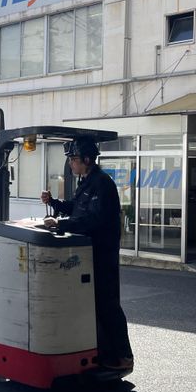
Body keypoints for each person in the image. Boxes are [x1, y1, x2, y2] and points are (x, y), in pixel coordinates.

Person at [41, 136, 134, 372]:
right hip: (88, 254)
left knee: (107, 305)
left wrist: (61, 224)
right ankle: (102, 353)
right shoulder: (87, 182)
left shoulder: (102, 184)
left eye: (73, 159)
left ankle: (123, 355)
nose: (71, 164)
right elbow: (77, 208)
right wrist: (54, 203)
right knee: (93, 305)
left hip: (102, 254)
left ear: (87, 159)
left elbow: (93, 219)